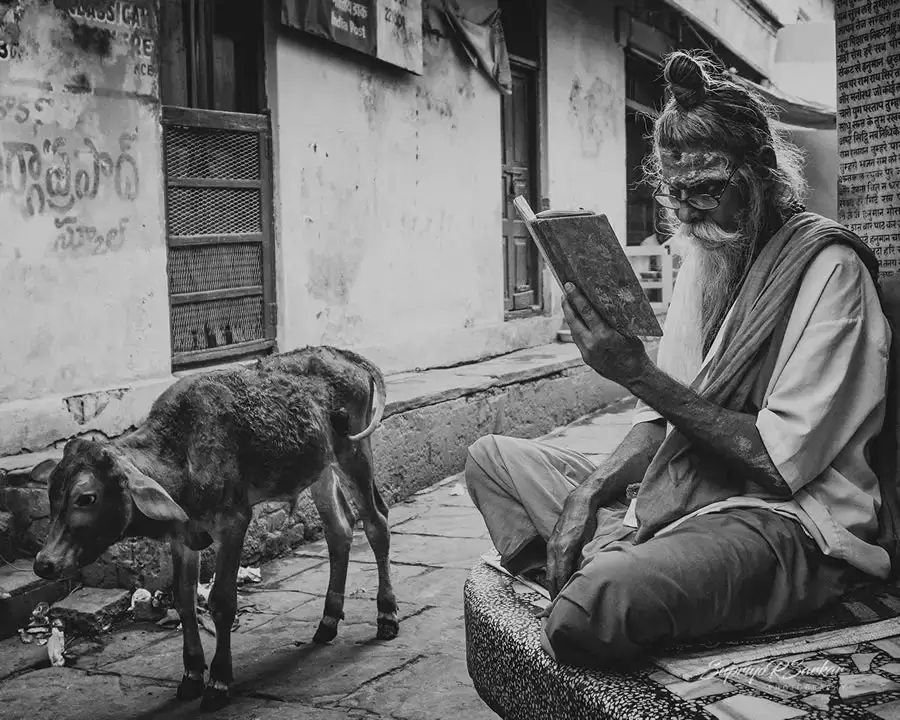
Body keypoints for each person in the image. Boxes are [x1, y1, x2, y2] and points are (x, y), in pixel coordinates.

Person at [465, 50, 900, 669]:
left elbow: (778, 465)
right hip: (690, 487)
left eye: (707, 191)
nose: (691, 212)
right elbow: (672, 419)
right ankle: (628, 567)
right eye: (677, 194)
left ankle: (614, 578)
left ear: (764, 171)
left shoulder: (831, 271)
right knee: (491, 460)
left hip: (788, 520)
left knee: (590, 612)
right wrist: (588, 492)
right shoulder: (707, 255)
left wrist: (634, 373)